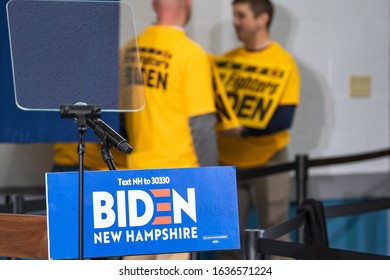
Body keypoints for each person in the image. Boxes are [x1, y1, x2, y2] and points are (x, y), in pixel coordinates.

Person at [121, 0, 218, 260]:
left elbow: (119, 120)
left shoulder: (129, 50)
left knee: (136, 261)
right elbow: (202, 126)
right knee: (173, 263)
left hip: (135, 173)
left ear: (154, 4)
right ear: (187, 3)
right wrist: (214, 182)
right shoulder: (191, 54)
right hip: (179, 180)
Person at [214, 0, 300, 259]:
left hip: (269, 160)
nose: (235, 21)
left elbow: (284, 119)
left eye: (241, 15)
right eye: (234, 15)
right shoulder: (225, 61)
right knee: (227, 241)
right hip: (228, 162)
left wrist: (243, 132)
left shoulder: (284, 63)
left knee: (276, 236)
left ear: (262, 19)